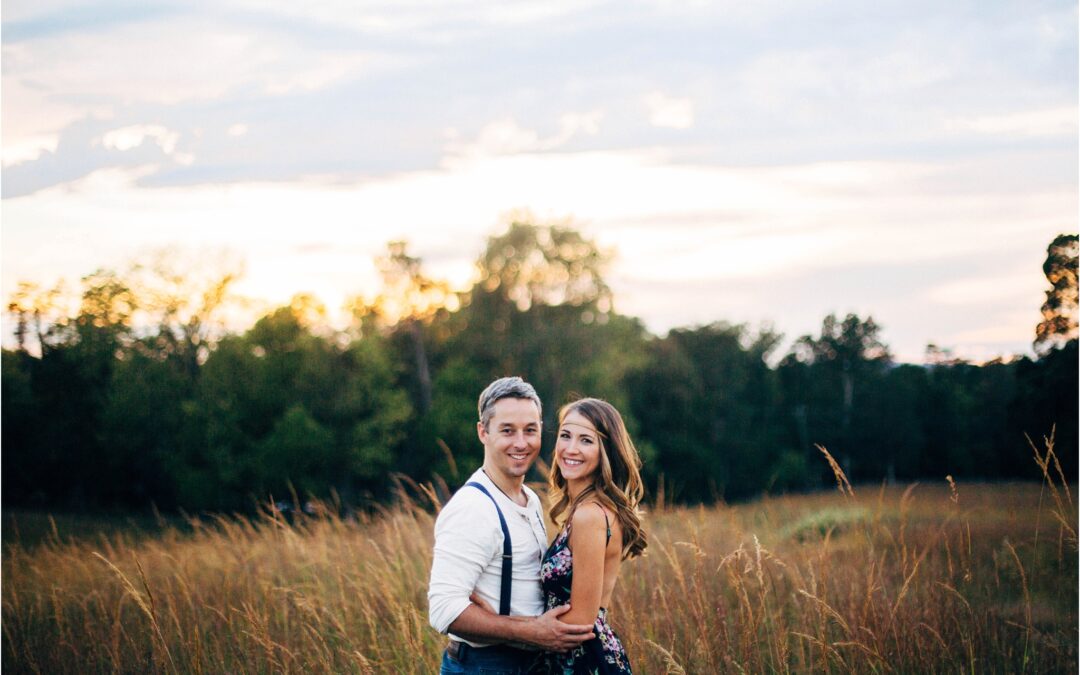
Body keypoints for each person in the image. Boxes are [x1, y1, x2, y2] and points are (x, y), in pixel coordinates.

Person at [428, 377, 594, 674]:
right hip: (484, 666)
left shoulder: (529, 498)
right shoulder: (473, 507)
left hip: (527, 664)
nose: (521, 443)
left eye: (530, 430)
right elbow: (443, 611)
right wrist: (531, 631)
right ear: (483, 432)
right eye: (507, 431)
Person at [529, 397, 648, 674]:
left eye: (586, 440)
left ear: (604, 451)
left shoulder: (590, 516)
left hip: (582, 661)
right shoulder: (587, 510)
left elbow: (581, 618)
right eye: (565, 436)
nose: (571, 448)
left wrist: (514, 632)